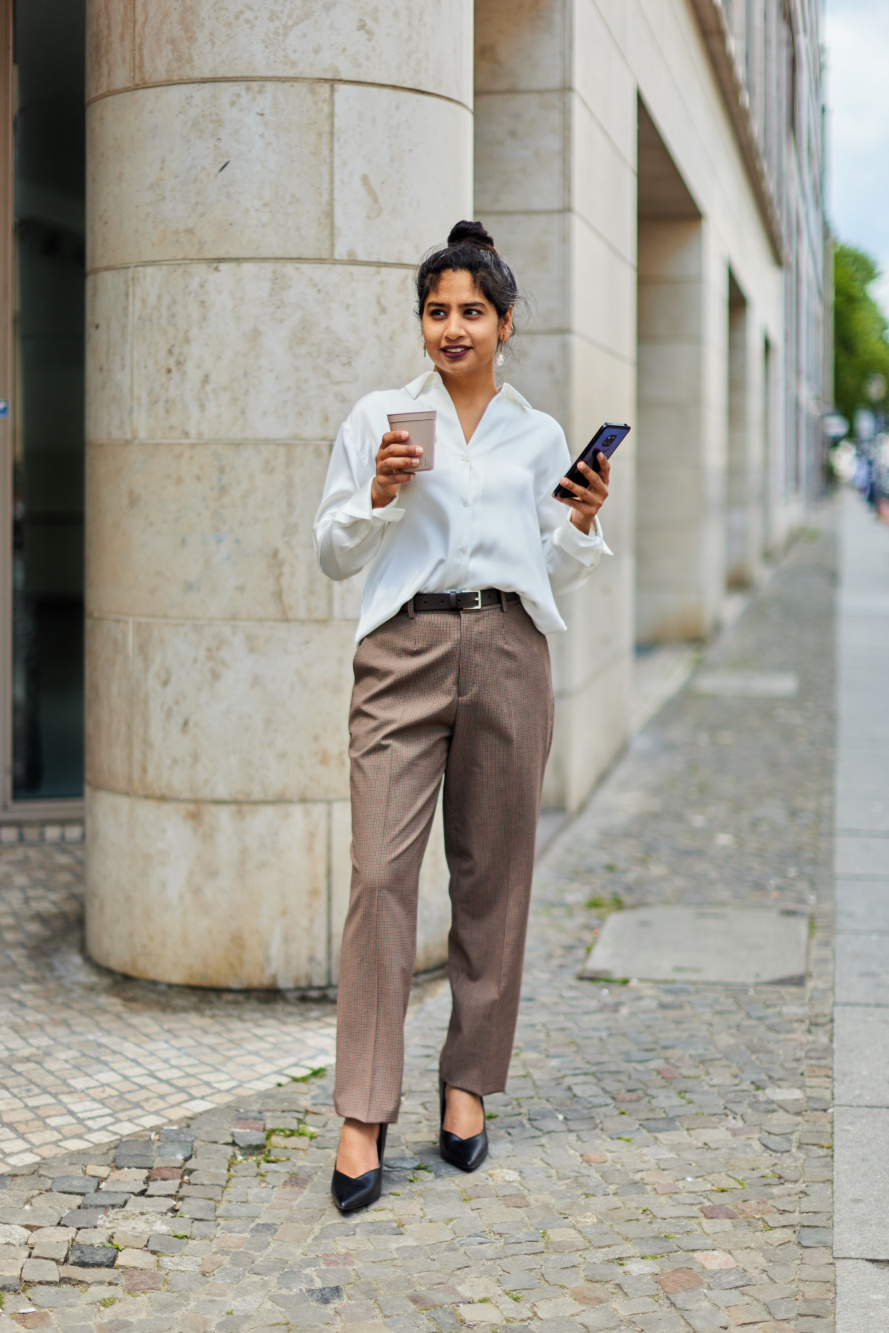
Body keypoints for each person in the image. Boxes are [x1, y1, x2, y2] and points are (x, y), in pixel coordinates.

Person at [313, 220, 612, 1212]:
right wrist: (379, 493)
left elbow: (550, 562)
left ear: (505, 323)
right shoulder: (379, 417)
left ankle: (467, 1085)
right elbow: (332, 550)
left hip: (509, 652)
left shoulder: (535, 433)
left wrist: (579, 517)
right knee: (378, 878)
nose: (451, 326)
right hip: (402, 652)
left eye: (470, 311)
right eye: (436, 311)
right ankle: (363, 1109)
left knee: (493, 880)